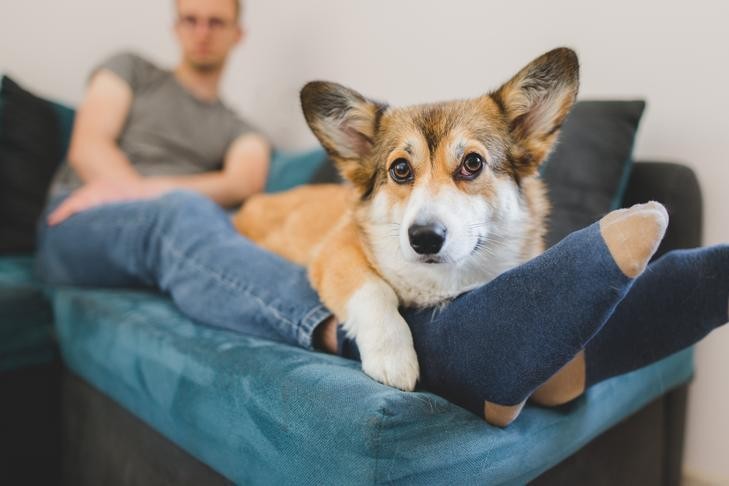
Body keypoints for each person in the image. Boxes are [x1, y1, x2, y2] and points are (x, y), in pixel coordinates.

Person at [36, 0, 729, 426]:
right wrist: (141, 192)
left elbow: (245, 190)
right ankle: (453, 345)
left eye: (217, 19)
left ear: (236, 31)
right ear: (175, 24)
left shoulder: (242, 133)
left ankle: (542, 358)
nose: (202, 30)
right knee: (181, 213)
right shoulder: (130, 70)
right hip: (85, 218)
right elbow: (91, 146)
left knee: (206, 220)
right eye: (190, 17)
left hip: (208, 221)